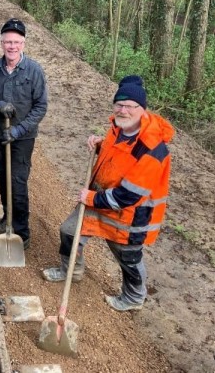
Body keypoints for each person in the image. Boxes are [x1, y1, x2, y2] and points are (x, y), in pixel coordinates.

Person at [42, 75, 175, 312]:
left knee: (128, 257)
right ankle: (71, 270)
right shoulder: (117, 127)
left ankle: (134, 298)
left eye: (129, 106)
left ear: (142, 109)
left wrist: (91, 198)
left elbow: (128, 196)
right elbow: (119, 155)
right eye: (119, 105)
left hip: (129, 214)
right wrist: (101, 144)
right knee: (70, 232)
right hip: (101, 198)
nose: (123, 110)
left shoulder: (152, 148)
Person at [0, 18, 48, 249]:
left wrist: (17, 129)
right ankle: (7, 217)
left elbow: (40, 107)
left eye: (16, 42)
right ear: (1, 43)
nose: (12, 46)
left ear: (23, 44)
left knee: (17, 183)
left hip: (22, 139)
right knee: (2, 179)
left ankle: (21, 232)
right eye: (8, 42)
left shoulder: (34, 70)